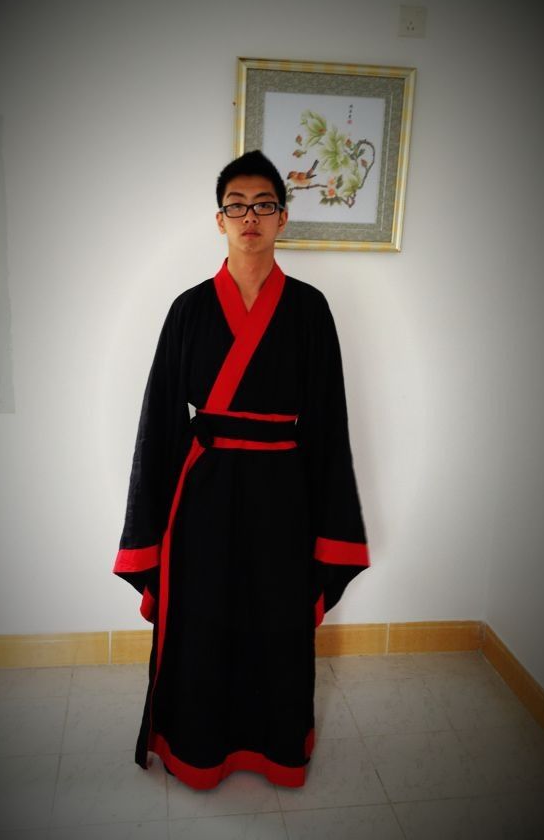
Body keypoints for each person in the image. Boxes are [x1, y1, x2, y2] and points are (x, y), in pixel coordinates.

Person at [113, 149, 370, 790]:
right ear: (219, 220)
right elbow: (160, 420)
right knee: (200, 621)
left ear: (283, 218)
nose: (249, 217)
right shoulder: (189, 309)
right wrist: (148, 528)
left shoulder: (309, 309)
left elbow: (327, 423)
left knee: (276, 623)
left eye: (263, 205)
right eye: (236, 206)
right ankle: (197, 749)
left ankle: (275, 748)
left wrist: (329, 527)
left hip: (283, 494)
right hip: (202, 493)